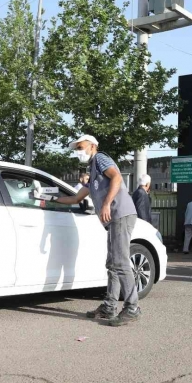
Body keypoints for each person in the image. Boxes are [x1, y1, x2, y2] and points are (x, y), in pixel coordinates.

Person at [54, 134, 140, 326]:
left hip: (121, 214)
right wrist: (48, 200)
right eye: (76, 149)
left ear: (92, 146)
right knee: (112, 263)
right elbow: (76, 198)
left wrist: (107, 204)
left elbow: (117, 177)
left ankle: (132, 307)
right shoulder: (92, 171)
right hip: (113, 219)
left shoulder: (101, 158)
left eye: (80, 147)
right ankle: (109, 307)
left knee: (120, 261)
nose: (78, 151)